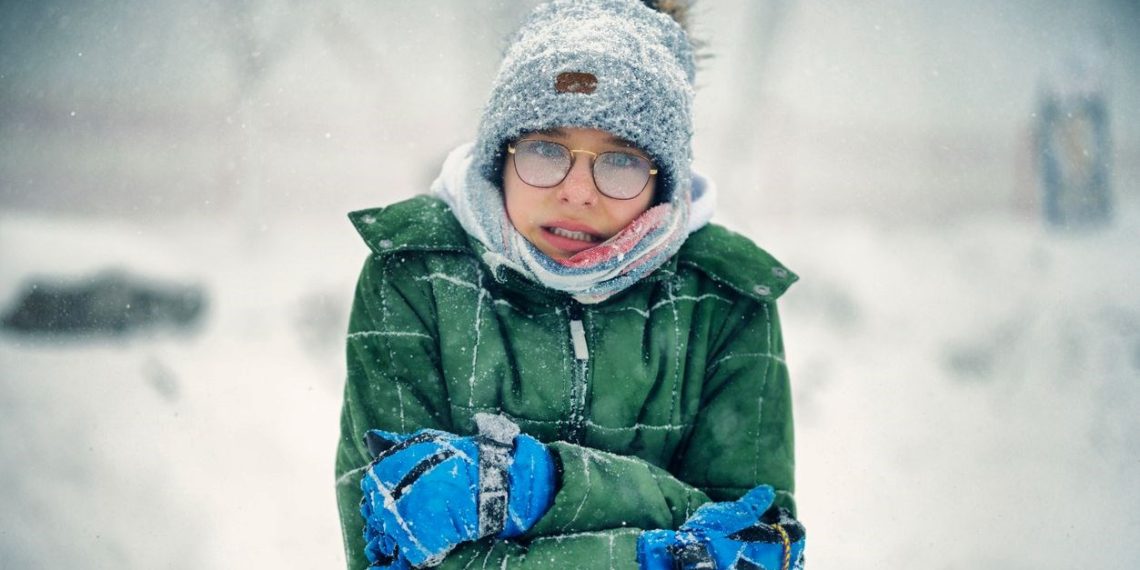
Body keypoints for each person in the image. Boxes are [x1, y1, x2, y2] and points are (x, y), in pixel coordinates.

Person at [334, 1, 805, 568]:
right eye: (545, 149)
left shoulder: (725, 299)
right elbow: (393, 553)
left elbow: (755, 548)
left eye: (622, 160)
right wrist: (651, 550)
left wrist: (539, 487)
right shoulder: (415, 273)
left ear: (664, 181)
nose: (578, 191)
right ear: (499, 155)